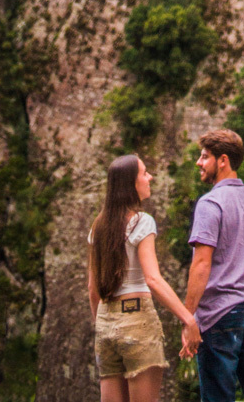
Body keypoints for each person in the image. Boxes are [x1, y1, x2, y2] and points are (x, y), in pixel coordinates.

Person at [87, 152, 201, 401]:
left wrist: (105, 325)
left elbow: (93, 289)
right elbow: (153, 279)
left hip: (105, 323)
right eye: (144, 173)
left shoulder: (98, 226)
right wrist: (188, 319)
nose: (150, 177)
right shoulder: (142, 222)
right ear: (131, 183)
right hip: (136, 319)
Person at [181, 128, 244, 402]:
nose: (199, 163)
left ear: (222, 160)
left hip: (220, 315)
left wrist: (189, 318)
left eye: (204, 157)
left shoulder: (210, 203)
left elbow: (201, 264)